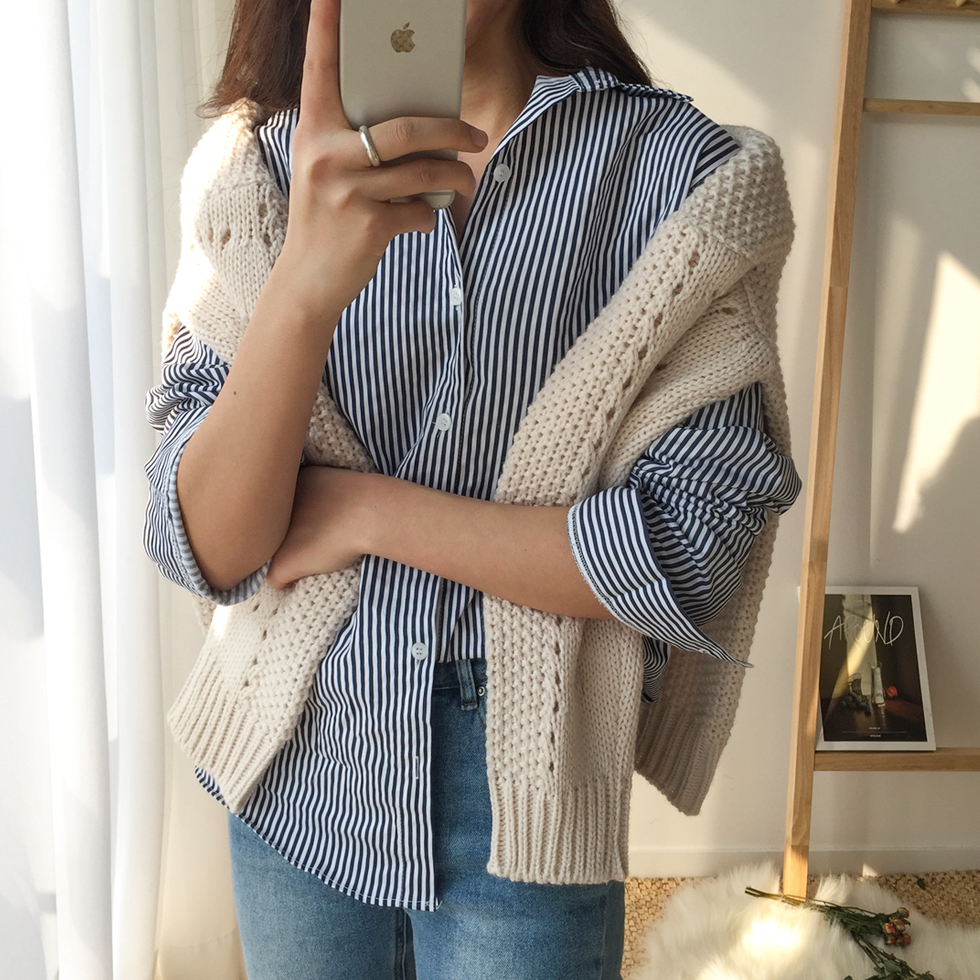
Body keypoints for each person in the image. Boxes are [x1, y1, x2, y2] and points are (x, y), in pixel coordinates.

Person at [144, 0, 801, 976]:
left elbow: (683, 548)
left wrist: (366, 511)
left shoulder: (686, 179)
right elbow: (200, 541)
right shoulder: (255, 171)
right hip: (294, 761)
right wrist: (303, 285)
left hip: (528, 781)